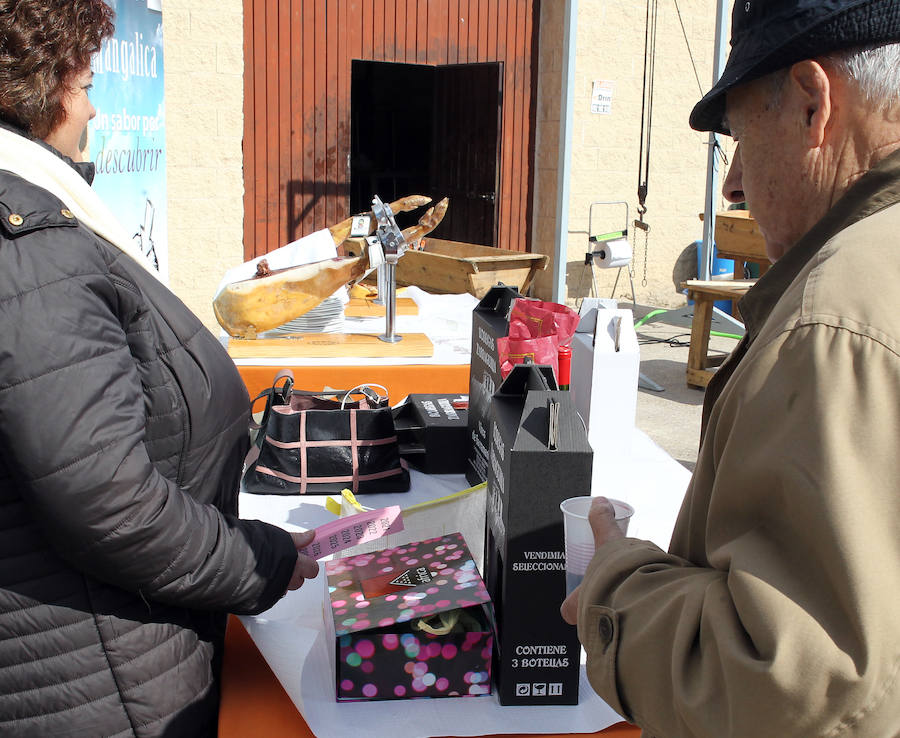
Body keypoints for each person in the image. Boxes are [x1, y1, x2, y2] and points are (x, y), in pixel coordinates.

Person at [562, 1, 900, 736]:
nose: (733, 185)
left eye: (741, 140)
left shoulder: (832, 319)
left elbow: (783, 685)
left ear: (814, 103)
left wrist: (613, 587)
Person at [0, 1, 319, 735]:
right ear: (37, 91)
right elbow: (106, 499)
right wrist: (259, 563)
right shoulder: (28, 247)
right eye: (83, 87)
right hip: (95, 682)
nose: (90, 111)